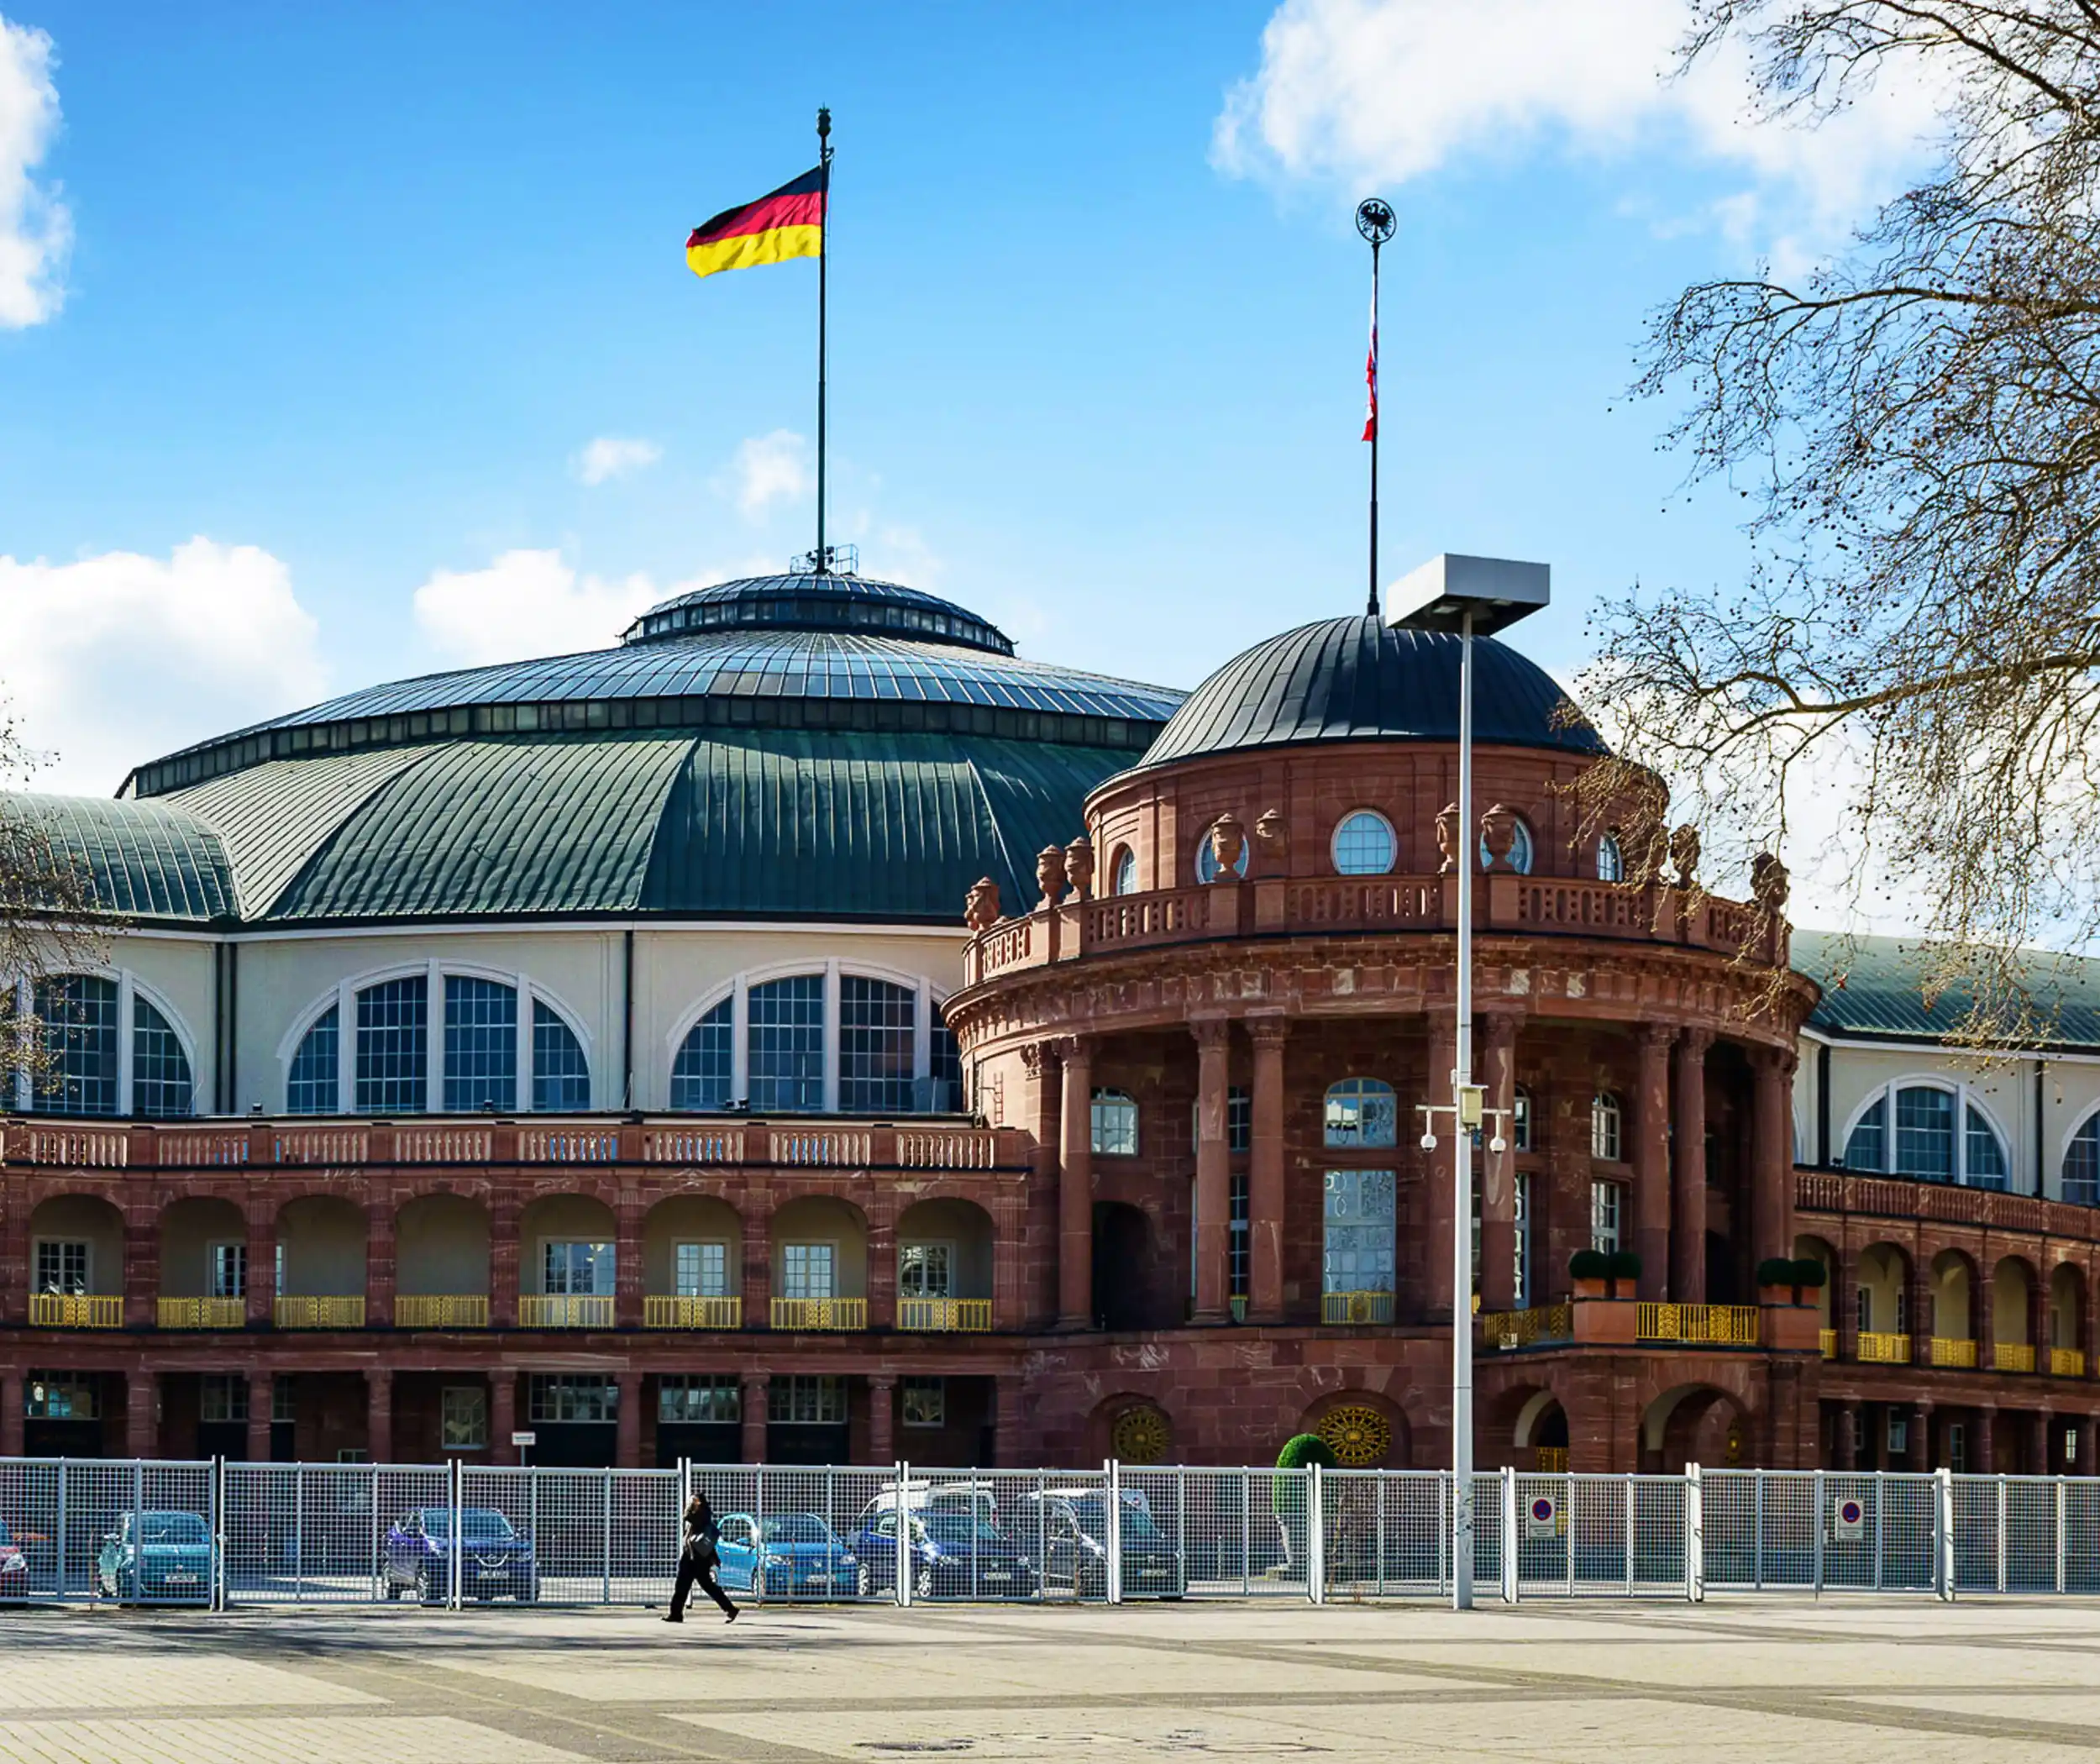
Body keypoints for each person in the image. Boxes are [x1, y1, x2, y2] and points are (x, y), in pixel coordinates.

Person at [666, 1491, 738, 1624]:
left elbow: (687, 1517)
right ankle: (676, 1614)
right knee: (685, 1584)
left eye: (695, 1500)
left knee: (703, 1585)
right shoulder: (702, 1515)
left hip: (698, 1557)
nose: (692, 1503)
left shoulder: (702, 1514)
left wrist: (689, 1506)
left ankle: (730, 1609)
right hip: (693, 1554)